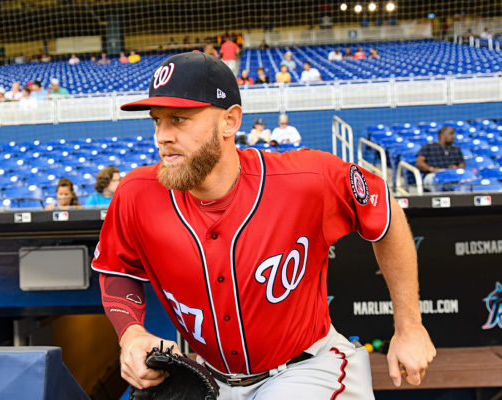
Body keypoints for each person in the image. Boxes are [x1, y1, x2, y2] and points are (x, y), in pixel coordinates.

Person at [91, 52, 435, 399]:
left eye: (179, 119)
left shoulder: (304, 179)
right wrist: (130, 332)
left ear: (230, 121)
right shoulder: (136, 194)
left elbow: (384, 211)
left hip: (310, 369)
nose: (162, 136)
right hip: (214, 379)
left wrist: (409, 327)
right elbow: (117, 269)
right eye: (157, 121)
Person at [416, 126, 465, 192]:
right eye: (451, 134)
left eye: (453, 134)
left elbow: (462, 164)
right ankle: (438, 199)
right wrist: (432, 169)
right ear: (442, 135)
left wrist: (457, 168)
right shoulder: (429, 146)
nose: (453, 136)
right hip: (434, 175)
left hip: (452, 175)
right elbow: (419, 162)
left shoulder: (456, 149)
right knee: (434, 180)